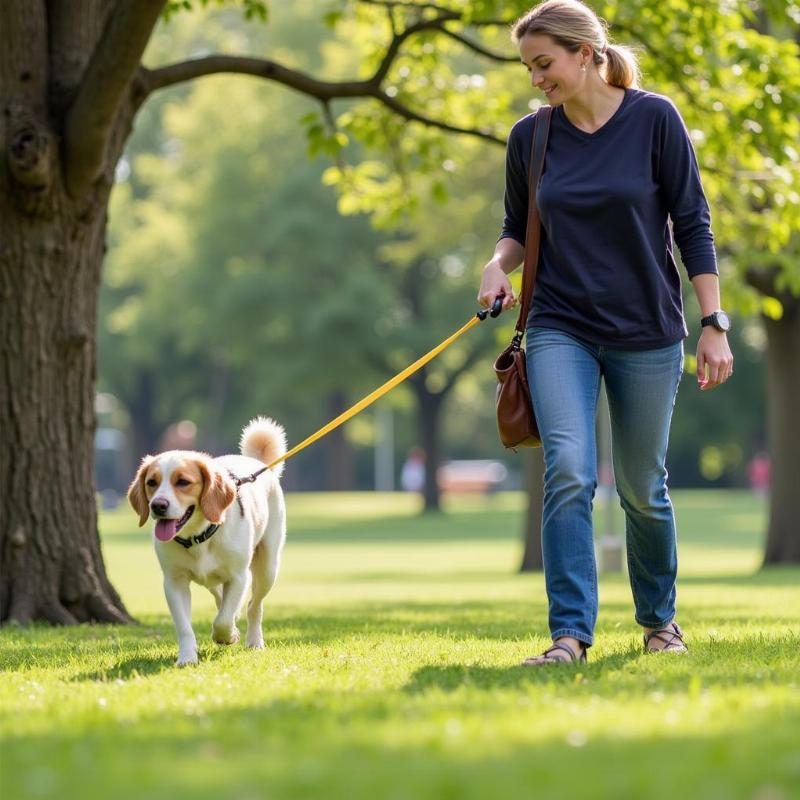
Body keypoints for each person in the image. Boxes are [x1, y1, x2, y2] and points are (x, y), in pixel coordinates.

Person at [477, 0, 733, 665]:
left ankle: (659, 623)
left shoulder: (655, 118)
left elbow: (694, 224)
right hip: (561, 323)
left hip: (647, 329)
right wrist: (495, 266)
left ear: (585, 53)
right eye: (530, 67)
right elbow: (515, 227)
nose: (537, 79)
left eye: (545, 63)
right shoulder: (530, 138)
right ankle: (569, 635)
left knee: (643, 487)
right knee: (566, 468)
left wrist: (714, 323)